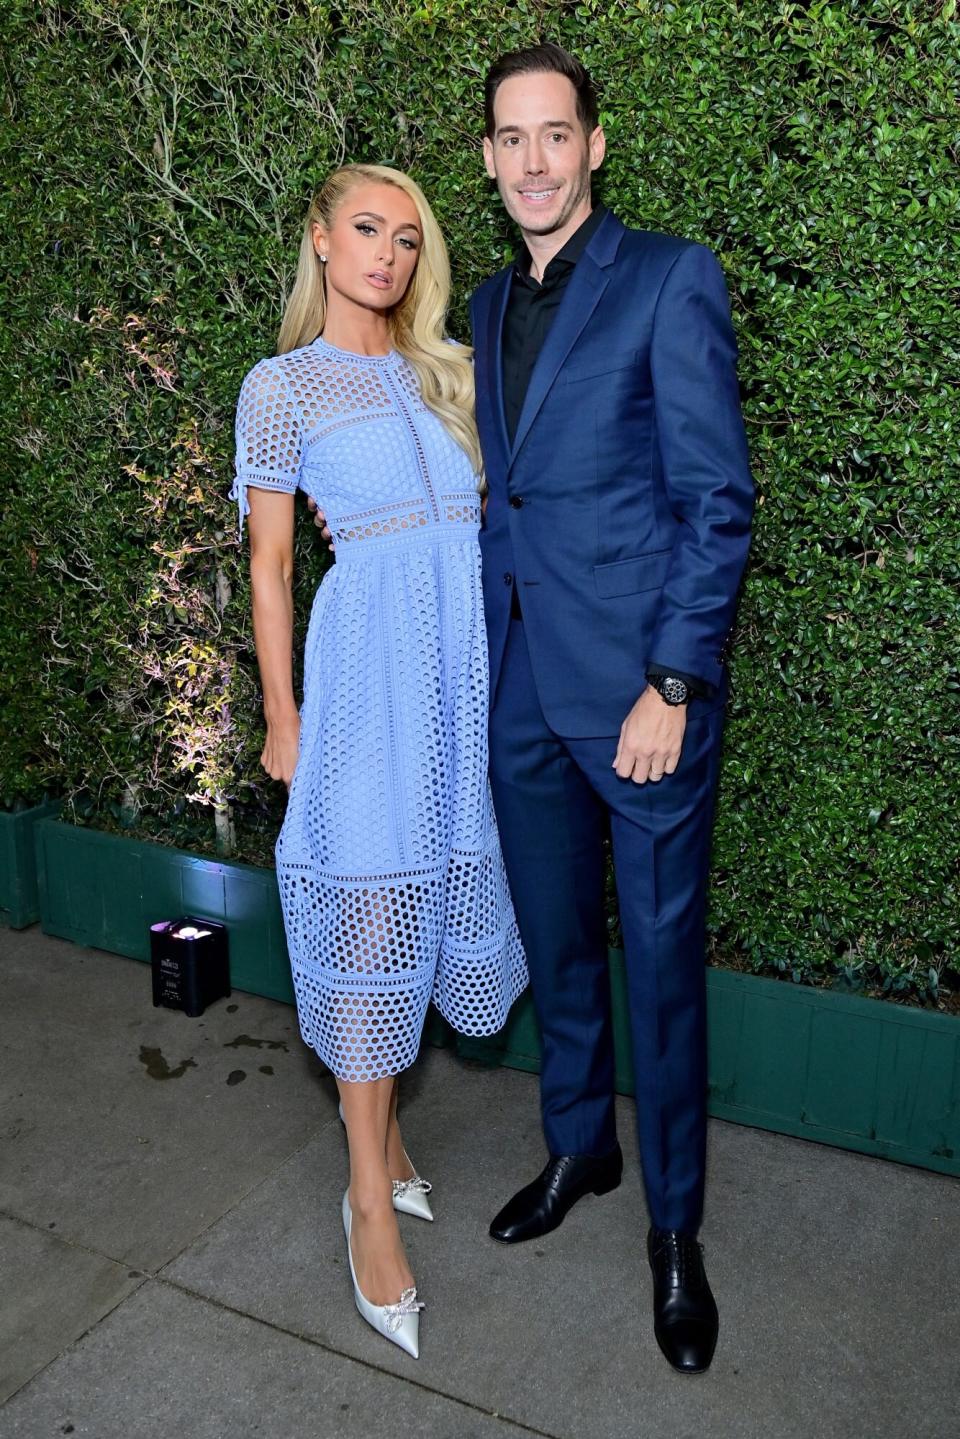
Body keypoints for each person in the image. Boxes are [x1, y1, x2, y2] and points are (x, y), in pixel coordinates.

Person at [471, 44, 754, 1374]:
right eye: (509, 139)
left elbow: (716, 499)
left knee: (658, 968)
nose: (533, 160)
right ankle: (581, 1145)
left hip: (641, 697)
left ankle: (677, 1229)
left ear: (595, 144)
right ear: (488, 158)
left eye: (555, 135)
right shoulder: (481, 305)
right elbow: (511, 498)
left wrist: (676, 680)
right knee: (557, 941)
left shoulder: (669, 277)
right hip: (522, 682)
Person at [232, 163, 526, 1361]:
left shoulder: (441, 373)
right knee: (366, 922)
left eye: (408, 239)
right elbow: (269, 566)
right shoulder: (281, 385)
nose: (388, 256)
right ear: (319, 237)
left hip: (456, 690)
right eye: (366, 230)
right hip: (361, 691)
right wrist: (281, 713)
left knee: (420, 901)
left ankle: (391, 1140)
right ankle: (366, 1193)